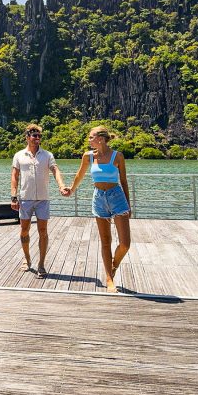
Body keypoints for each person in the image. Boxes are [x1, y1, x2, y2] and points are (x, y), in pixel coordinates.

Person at [66, 125, 131, 293]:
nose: (88, 140)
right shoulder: (88, 157)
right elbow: (79, 175)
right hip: (99, 198)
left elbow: (123, 181)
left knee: (125, 244)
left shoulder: (118, 156)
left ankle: (113, 265)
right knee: (105, 241)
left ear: (100, 139)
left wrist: (129, 205)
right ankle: (109, 278)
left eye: (90, 137)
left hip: (117, 197)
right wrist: (71, 190)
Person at [11, 123, 69, 279]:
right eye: (34, 135)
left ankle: (41, 264)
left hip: (43, 199)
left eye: (39, 136)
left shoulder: (47, 155)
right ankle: (27, 259)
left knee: (43, 232)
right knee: (24, 230)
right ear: (27, 137)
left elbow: (55, 170)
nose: (37, 138)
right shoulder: (19, 155)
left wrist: (61, 185)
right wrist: (14, 196)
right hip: (25, 199)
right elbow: (15, 176)